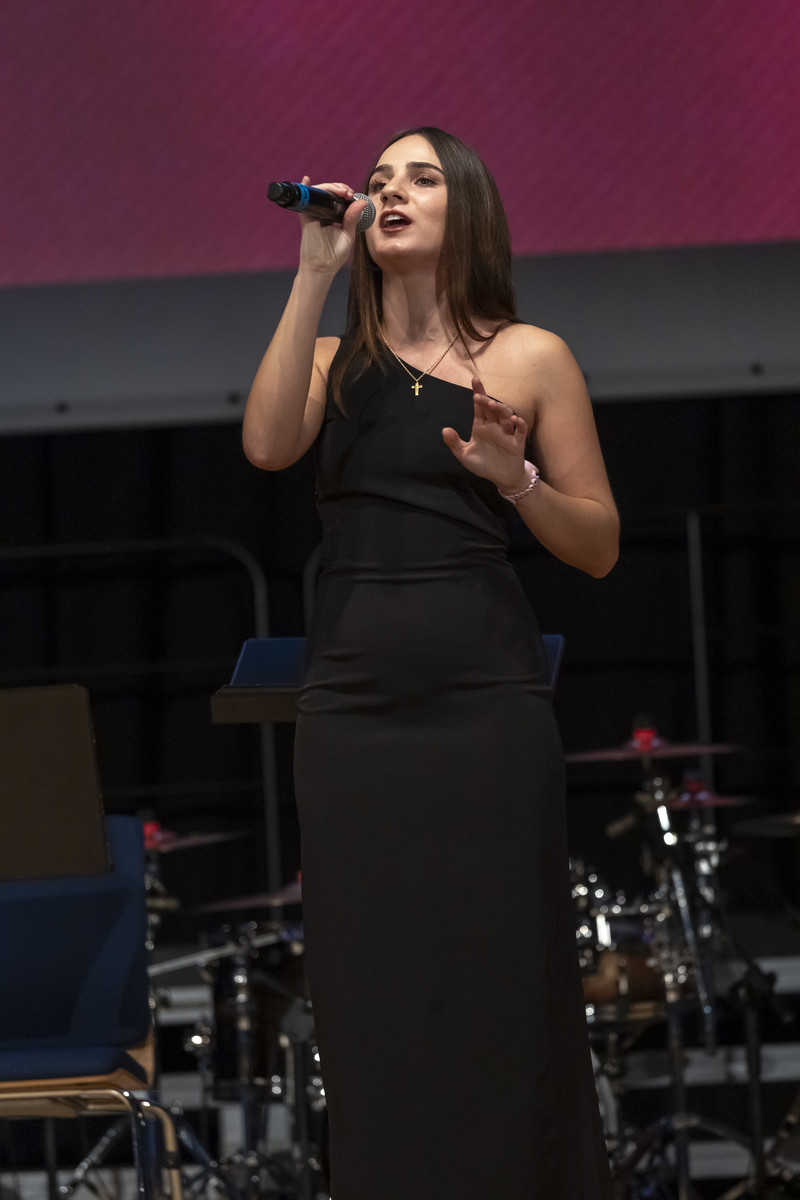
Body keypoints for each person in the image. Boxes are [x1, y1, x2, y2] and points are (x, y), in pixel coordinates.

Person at [244, 127, 618, 1200]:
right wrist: (313, 273)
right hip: (353, 712)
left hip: (483, 707)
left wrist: (517, 481)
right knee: (371, 997)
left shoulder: (529, 356)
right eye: (378, 181)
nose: (389, 193)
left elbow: (596, 546)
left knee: (503, 986)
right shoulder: (332, 359)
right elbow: (267, 446)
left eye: (420, 177)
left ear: (469, 211)